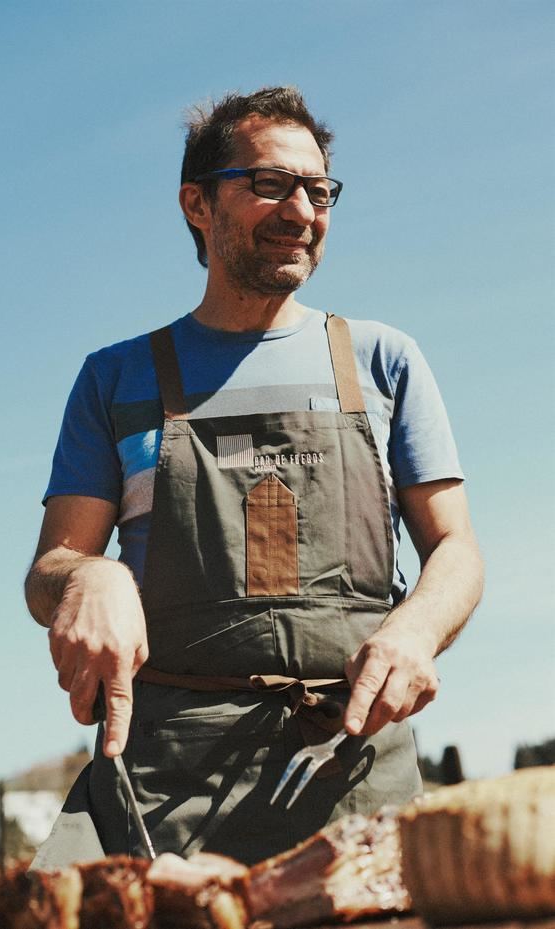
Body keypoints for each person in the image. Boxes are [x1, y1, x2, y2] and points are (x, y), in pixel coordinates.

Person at [25, 86, 484, 867]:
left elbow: (457, 551)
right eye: (271, 184)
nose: (302, 211)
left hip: (351, 777)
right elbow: (48, 572)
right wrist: (87, 575)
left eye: (318, 190)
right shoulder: (115, 377)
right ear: (196, 204)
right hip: (164, 793)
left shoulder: (383, 362)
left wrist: (415, 629)